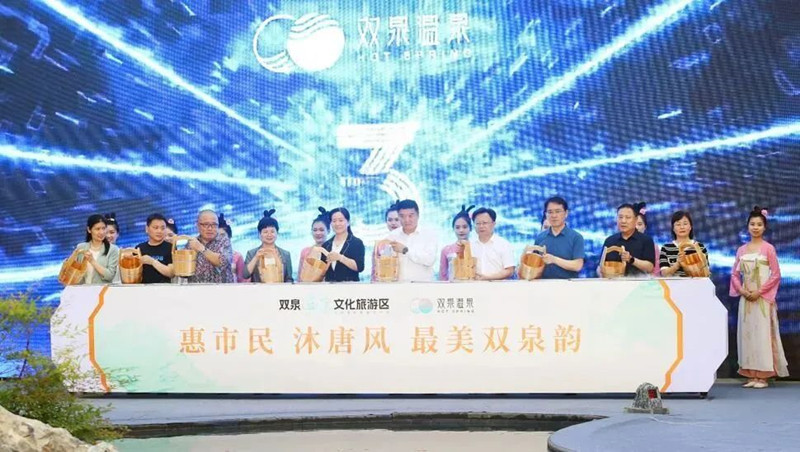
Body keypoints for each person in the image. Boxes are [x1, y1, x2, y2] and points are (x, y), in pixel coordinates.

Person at [730, 206, 789, 388]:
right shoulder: (741, 250)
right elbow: (734, 275)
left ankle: (763, 375)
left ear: (764, 227)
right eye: (752, 224)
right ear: (747, 226)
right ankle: (751, 374)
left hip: (762, 298)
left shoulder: (769, 248)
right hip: (746, 298)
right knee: (747, 335)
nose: (755, 227)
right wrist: (743, 291)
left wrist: (760, 292)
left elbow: (776, 274)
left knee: (762, 335)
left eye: (759, 224)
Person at [385, 199, 438, 281]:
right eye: (402, 216)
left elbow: (429, 260)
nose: (407, 220)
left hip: (422, 285)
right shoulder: (392, 236)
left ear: (418, 215)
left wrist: (405, 250)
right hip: (397, 285)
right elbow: (386, 261)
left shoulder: (429, 235)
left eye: (410, 216)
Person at [598, 203, 656, 277]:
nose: (623, 221)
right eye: (620, 217)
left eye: (628, 217)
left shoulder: (646, 240)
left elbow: (650, 268)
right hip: (613, 282)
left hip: (638, 282)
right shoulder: (609, 241)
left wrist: (631, 259)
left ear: (635, 220)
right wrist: (601, 273)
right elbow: (600, 266)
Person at [534, 197, 585, 279]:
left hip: (568, 283)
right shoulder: (540, 237)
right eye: (550, 212)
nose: (554, 216)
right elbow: (534, 264)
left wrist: (554, 260)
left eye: (558, 211)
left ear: (566, 213)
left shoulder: (576, 237)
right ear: (546, 214)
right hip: (543, 284)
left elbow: (578, 265)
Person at [243, 209, 293, 283]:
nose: (269, 235)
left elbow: (289, 279)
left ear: (277, 233)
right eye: (265, 232)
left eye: (272, 231)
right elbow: (245, 275)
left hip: (280, 289)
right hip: (259, 290)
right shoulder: (252, 253)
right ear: (259, 234)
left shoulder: (285, 254)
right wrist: (256, 257)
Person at [466, 207, 515, 280]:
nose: (481, 226)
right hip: (474, 285)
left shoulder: (504, 244)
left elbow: (510, 270)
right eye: (478, 223)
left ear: (493, 224)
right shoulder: (469, 245)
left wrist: (488, 278)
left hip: (498, 285)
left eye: (484, 223)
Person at [187, 209, 234, 284]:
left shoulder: (224, 241)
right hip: (196, 289)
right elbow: (184, 271)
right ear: (198, 226)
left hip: (221, 289)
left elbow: (222, 261)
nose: (210, 228)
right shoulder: (192, 243)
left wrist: (201, 248)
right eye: (205, 224)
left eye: (214, 225)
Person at [659, 211, 709, 277]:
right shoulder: (666, 248)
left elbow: (706, 273)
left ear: (690, 227)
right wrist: (677, 264)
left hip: (696, 283)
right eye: (678, 224)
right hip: (674, 283)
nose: (682, 227)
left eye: (685, 224)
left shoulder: (700, 247)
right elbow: (664, 274)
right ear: (673, 228)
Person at [321, 207, 365, 282]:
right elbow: (322, 270)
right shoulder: (326, 245)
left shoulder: (357, 243)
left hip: (350, 286)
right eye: (334, 221)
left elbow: (360, 267)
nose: (337, 224)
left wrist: (340, 257)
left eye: (341, 220)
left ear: (348, 222)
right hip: (329, 287)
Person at [74, 214, 119, 284]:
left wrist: (92, 261)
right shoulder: (81, 247)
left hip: (102, 290)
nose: (101, 232)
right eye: (97, 229)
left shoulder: (113, 249)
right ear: (89, 230)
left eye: (103, 228)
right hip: (82, 289)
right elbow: (75, 272)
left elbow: (110, 276)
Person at [135, 213, 174, 284]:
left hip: (164, 288)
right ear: (147, 229)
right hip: (142, 288)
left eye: (163, 228)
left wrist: (152, 262)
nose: (159, 231)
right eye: (156, 228)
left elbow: (171, 273)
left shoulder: (170, 247)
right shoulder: (139, 248)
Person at [439, 205, 474, 281]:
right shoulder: (446, 250)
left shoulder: (476, 247)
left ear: (470, 228)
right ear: (453, 229)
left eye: (464, 227)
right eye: (457, 227)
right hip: (452, 287)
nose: (461, 230)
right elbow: (443, 276)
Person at [298, 207, 331, 280]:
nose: (318, 233)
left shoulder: (332, 252)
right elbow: (299, 277)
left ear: (328, 231)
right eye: (315, 230)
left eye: (321, 230)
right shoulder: (305, 252)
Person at [217, 213, 248, 283]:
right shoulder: (208, 255)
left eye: (222, 235)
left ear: (229, 236)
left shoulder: (237, 256)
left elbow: (243, 281)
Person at [633, 202, 660, 276]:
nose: (636, 227)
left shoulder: (653, 247)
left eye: (639, 224)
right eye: (634, 224)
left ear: (645, 227)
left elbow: (656, 272)